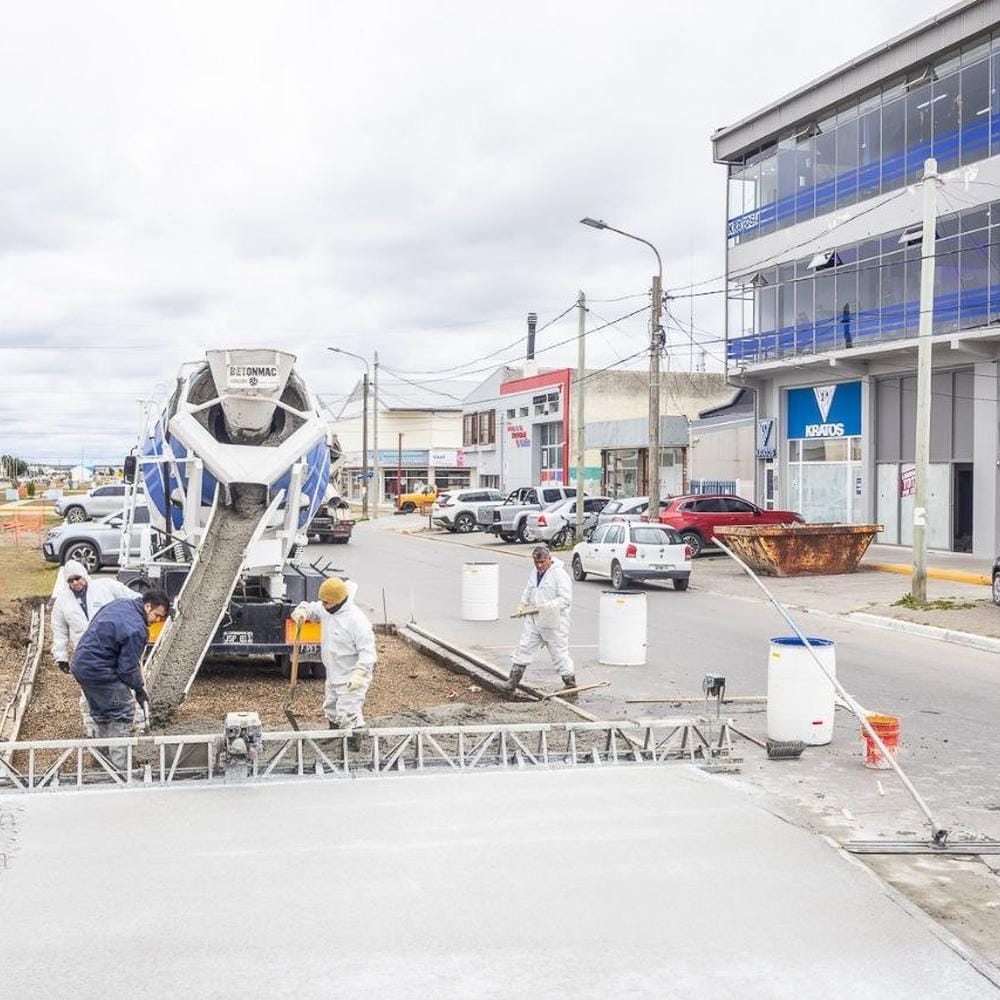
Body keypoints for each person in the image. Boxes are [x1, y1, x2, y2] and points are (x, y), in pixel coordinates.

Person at [71, 590, 171, 767]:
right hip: (99, 670)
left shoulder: (121, 604)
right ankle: (121, 767)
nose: (157, 620)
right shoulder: (137, 629)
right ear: (148, 607)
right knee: (122, 709)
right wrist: (139, 689)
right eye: (157, 615)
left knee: (102, 713)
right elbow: (127, 668)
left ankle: (101, 762)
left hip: (81, 665)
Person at [51, 560, 139, 736]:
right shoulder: (62, 602)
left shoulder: (105, 586)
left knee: (122, 684)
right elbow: (59, 630)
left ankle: (131, 723)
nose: (75, 583)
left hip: (112, 647)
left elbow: (132, 598)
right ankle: (93, 728)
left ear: (85, 575)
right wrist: (60, 656)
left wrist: (161, 607)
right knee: (89, 692)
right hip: (86, 653)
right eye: (71, 580)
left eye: (78, 578)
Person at [292, 577, 376, 736]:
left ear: (338, 601)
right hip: (333, 671)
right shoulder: (327, 609)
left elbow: (368, 652)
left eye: (326, 603)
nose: (323, 605)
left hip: (351, 676)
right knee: (331, 709)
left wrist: (360, 674)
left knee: (349, 714)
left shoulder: (357, 621)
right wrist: (303, 611)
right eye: (323, 602)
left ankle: (353, 744)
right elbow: (313, 608)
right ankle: (335, 737)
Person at [506, 544, 575, 692]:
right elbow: (529, 589)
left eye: (542, 562)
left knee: (558, 652)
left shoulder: (559, 575)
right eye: (536, 562)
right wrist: (522, 604)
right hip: (534, 619)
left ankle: (569, 682)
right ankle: (512, 682)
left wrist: (546, 607)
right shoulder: (534, 573)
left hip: (553, 620)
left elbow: (565, 599)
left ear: (549, 559)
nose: (539, 565)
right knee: (524, 647)